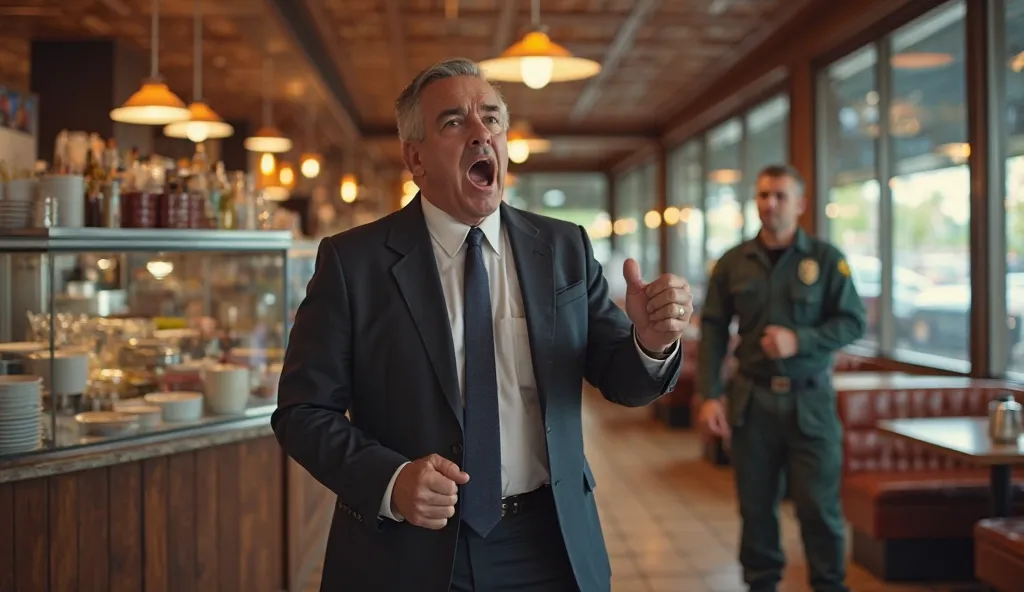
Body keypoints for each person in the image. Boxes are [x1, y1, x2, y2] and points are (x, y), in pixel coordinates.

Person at [271, 57, 694, 592]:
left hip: (550, 543)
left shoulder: (563, 247)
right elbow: (302, 411)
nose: (480, 134)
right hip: (407, 549)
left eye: (492, 119)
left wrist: (652, 343)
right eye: (454, 122)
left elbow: (623, 378)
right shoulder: (354, 263)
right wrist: (392, 481)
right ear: (415, 158)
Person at [695, 164, 866, 592]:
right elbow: (714, 327)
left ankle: (829, 585)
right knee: (756, 510)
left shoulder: (826, 260)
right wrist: (710, 395)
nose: (769, 204)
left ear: (801, 204)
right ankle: (761, 584)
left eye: (780, 196)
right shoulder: (733, 262)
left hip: (811, 404)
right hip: (752, 402)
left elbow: (852, 323)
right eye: (763, 196)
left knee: (818, 509)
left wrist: (800, 340)